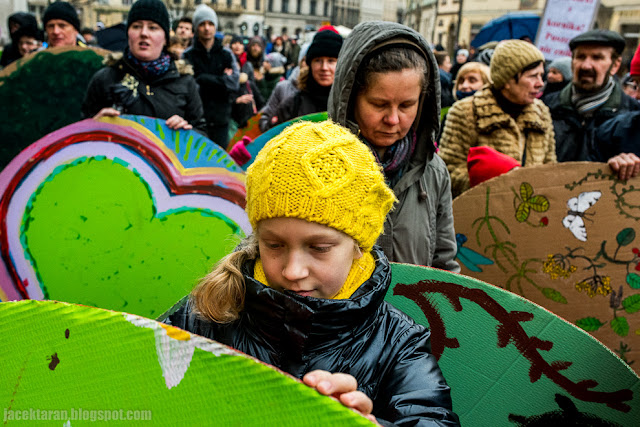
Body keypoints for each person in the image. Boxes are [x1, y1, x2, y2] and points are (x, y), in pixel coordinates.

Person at [167, 120, 459, 426]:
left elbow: (432, 420)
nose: (293, 271)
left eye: (319, 248)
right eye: (274, 245)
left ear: (360, 245)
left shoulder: (399, 343)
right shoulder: (207, 313)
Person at [328, 21, 459, 272]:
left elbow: (444, 263)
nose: (393, 119)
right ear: (350, 98)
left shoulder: (433, 171)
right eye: (379, 104)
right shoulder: (317, 166)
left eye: (407, 105)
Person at [439, 40, 556, 197]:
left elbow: (550, 168)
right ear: (507, 80)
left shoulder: (542, 113)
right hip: (482, 214)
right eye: (533, 76)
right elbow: (447, 171)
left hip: (531, 214)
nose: (540, 83)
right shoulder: (466, 111)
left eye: (541, 75)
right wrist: (497, 185)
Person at [82, 0, 205, 133]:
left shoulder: (184, 82)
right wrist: (94, 126)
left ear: (165, 38)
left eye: (153, 27)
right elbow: (80, 136)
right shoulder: (105, 78)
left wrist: (186, 132)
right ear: (128, 33)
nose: (144, 33)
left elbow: (202, 136)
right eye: (136, 26)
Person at [546, 30, 640, 165]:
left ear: (615, 65)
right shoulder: (547, 108)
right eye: (580, 57)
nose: (586, 65)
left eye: (597, 58)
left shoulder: (630, 116)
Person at [183, 3, 239, 148]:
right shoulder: (187, 55)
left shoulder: (226, 54)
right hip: (196, 121)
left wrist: (203, 78)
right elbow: (187, 88)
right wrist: (221, 80)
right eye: (202, 24)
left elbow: (233, 83)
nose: (207, 28)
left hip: (221, 120)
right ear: (196, 27)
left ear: (215, 26)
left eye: (210, 23)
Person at [264, 30, 341, 129]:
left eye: (331, 61)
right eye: (318, 61)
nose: (324, 67)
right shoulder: (292, 105)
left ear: (341, 65)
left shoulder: (352, 106)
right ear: (310, 64)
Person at [590, 43, 640, 181]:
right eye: (636, 84)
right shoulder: (613, 132)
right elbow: (587, 189)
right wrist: (609, 171)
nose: (637, 95)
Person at [258, 43, 309, 132]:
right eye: (306, 59)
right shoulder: (283, 87)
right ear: (300, 61)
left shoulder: (331, 93)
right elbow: (266, 117)